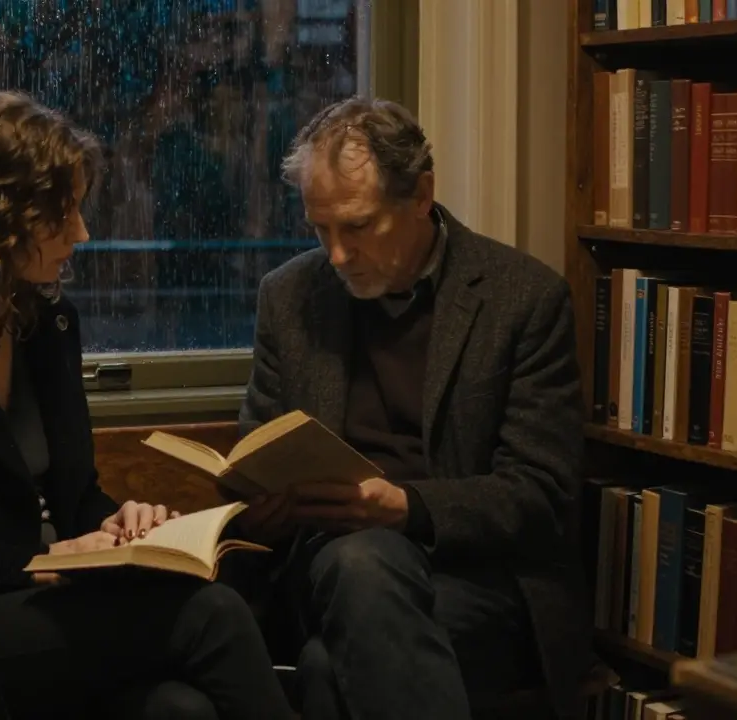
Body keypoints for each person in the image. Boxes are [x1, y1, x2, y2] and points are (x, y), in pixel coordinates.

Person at [0, 91, 294, 720]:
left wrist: (121, 526)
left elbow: (72, 499)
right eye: (60, 215)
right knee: (212, 614)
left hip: (40, 610)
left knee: (179, 710)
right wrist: (33, 562)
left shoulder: (47, 323)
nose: (82, 234)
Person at [234, 97, 592, 720]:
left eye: (359, 226)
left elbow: (542, 491)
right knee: (358, 559)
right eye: (321, 229)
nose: (337, 254)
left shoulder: (522, 298)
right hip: (324, 566)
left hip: (471, 574)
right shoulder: (290, 297)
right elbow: (258, 455)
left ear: (421, 194)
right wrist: (258, 512)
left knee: (326, 667)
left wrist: (408, 507)